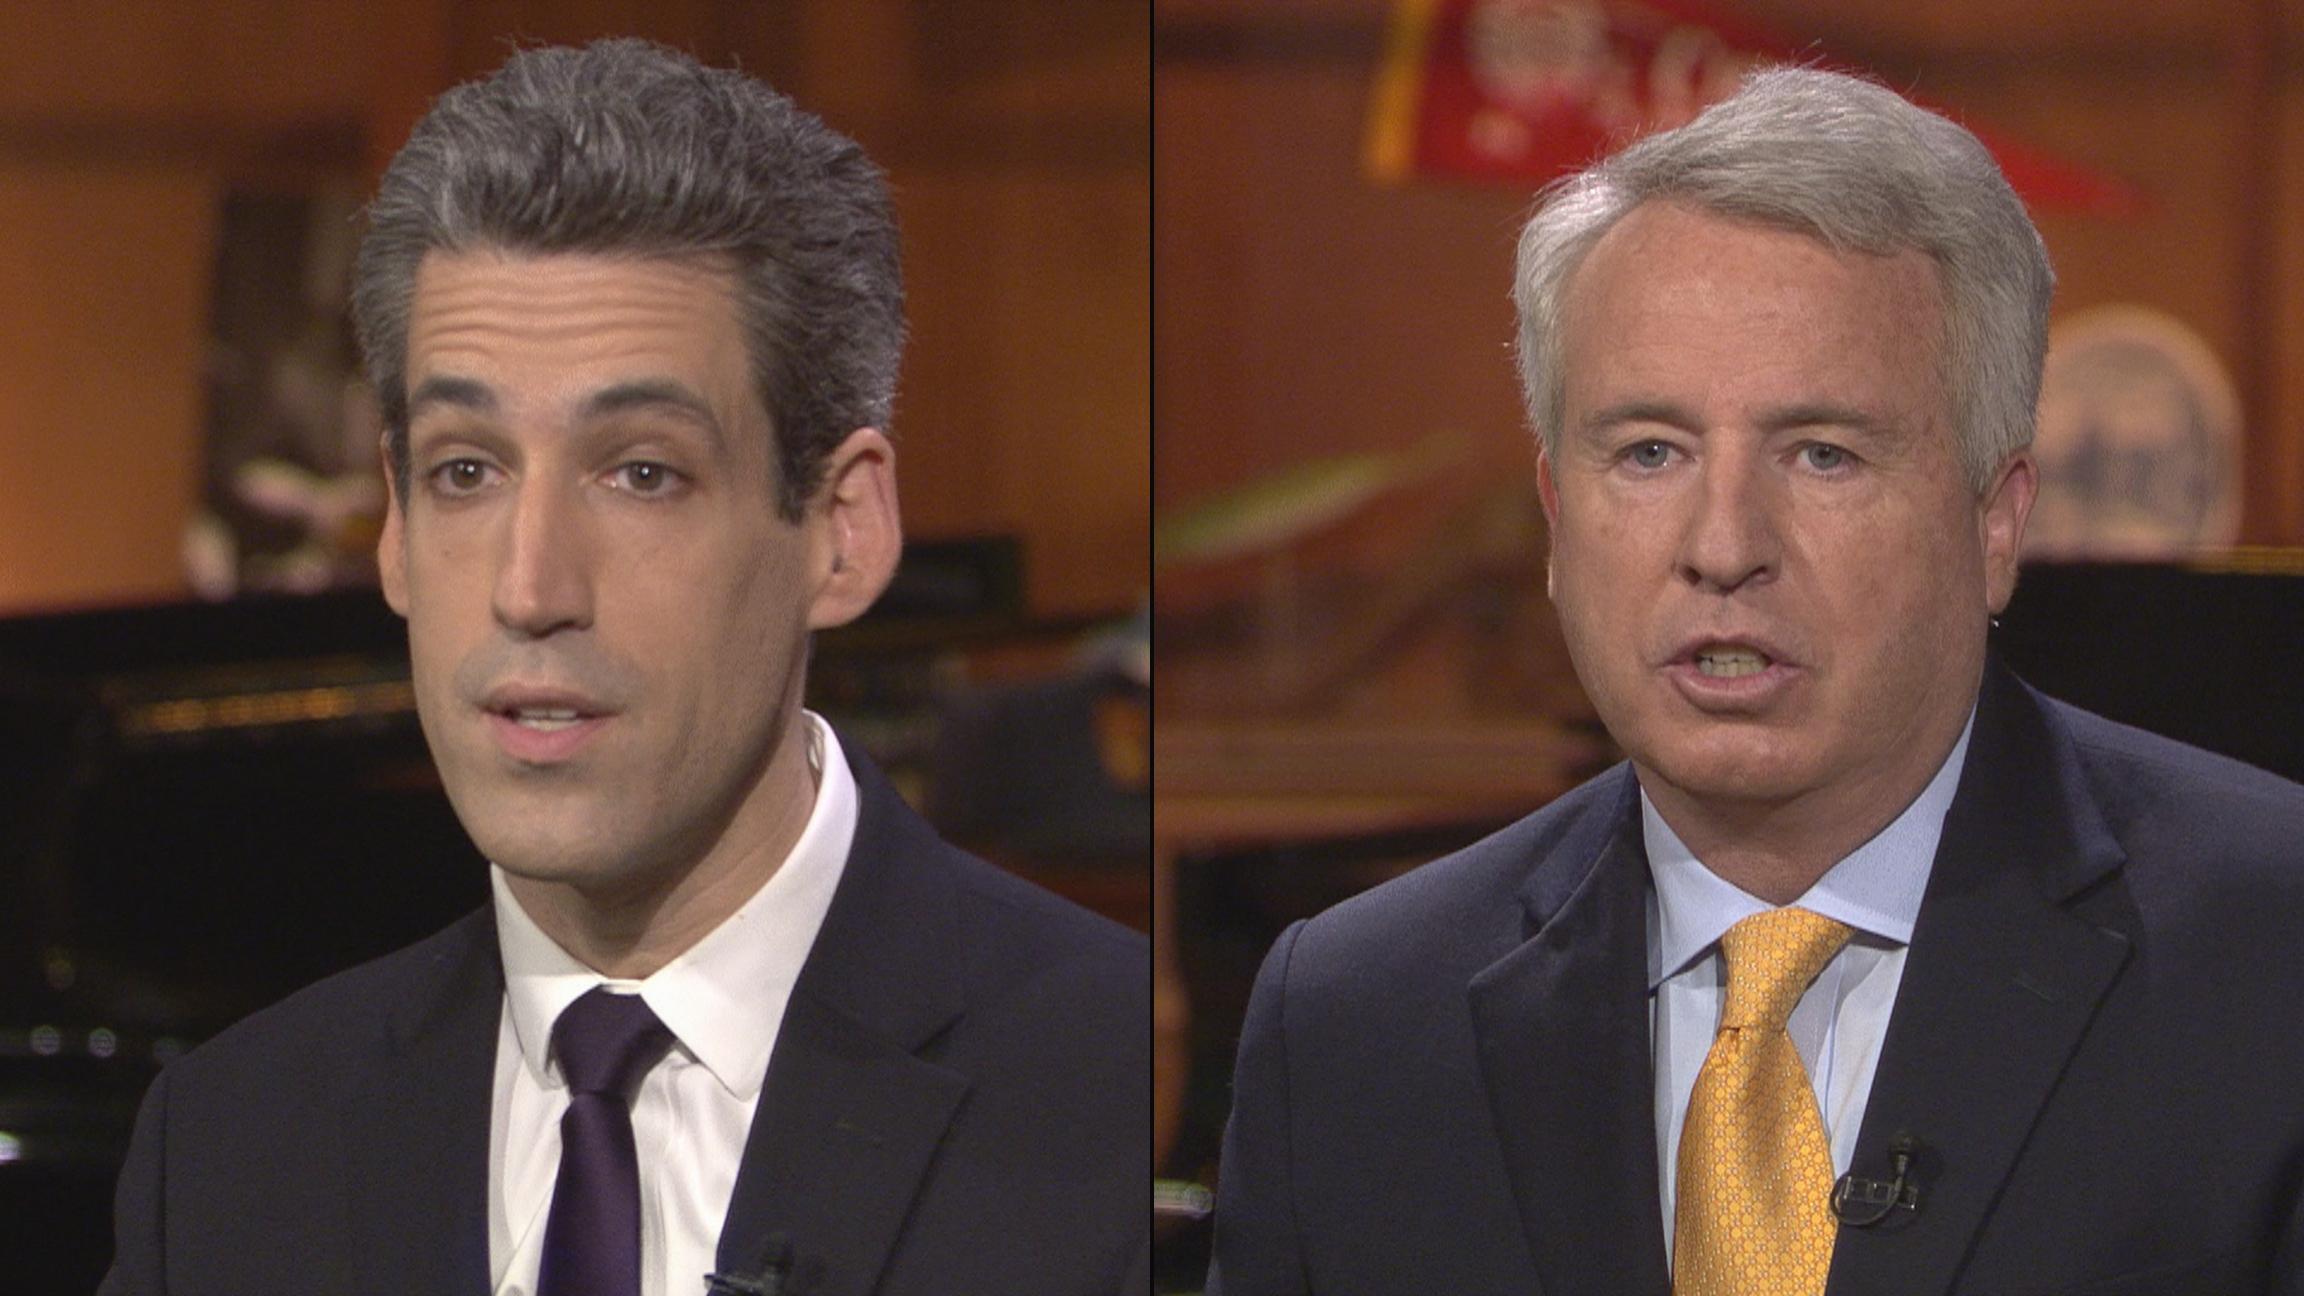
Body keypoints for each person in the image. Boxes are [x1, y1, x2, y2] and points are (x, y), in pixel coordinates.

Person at [1209, 66, 2304, 1295]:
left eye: (1823, 453)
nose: (1723, 545)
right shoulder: (1354, 1018)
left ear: (1993, 524)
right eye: (1650, 452)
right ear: (1558, 525)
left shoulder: (2273, 958)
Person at [103, 38, 1146, 1296]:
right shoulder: (230, 1147)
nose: (529, 588)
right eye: (465, 472)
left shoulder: (1117, 1091)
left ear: (842, 530)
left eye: (642, 472)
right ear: (390, 528)